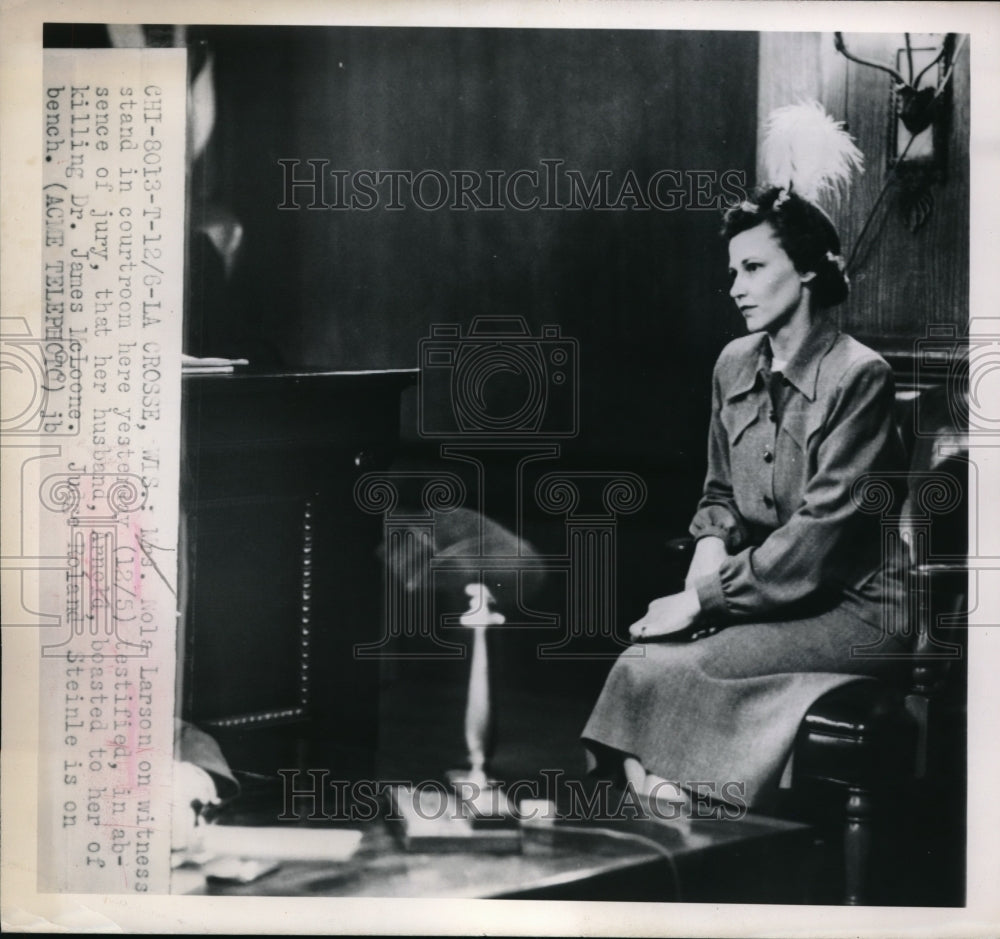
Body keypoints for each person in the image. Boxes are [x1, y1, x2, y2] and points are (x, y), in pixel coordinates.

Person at [581, 185, 909, 811]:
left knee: (684, 668)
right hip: (769, 599)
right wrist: (708, 551)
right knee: (641, 660)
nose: (736, 287)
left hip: (859, 614)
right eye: (733, 272)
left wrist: (703, 600)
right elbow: (720, 493)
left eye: (754, 268)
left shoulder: (860, 376)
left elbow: (820, 539)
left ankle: (680, 813)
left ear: (808, 269)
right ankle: (671, 810)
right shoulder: (733, 363)